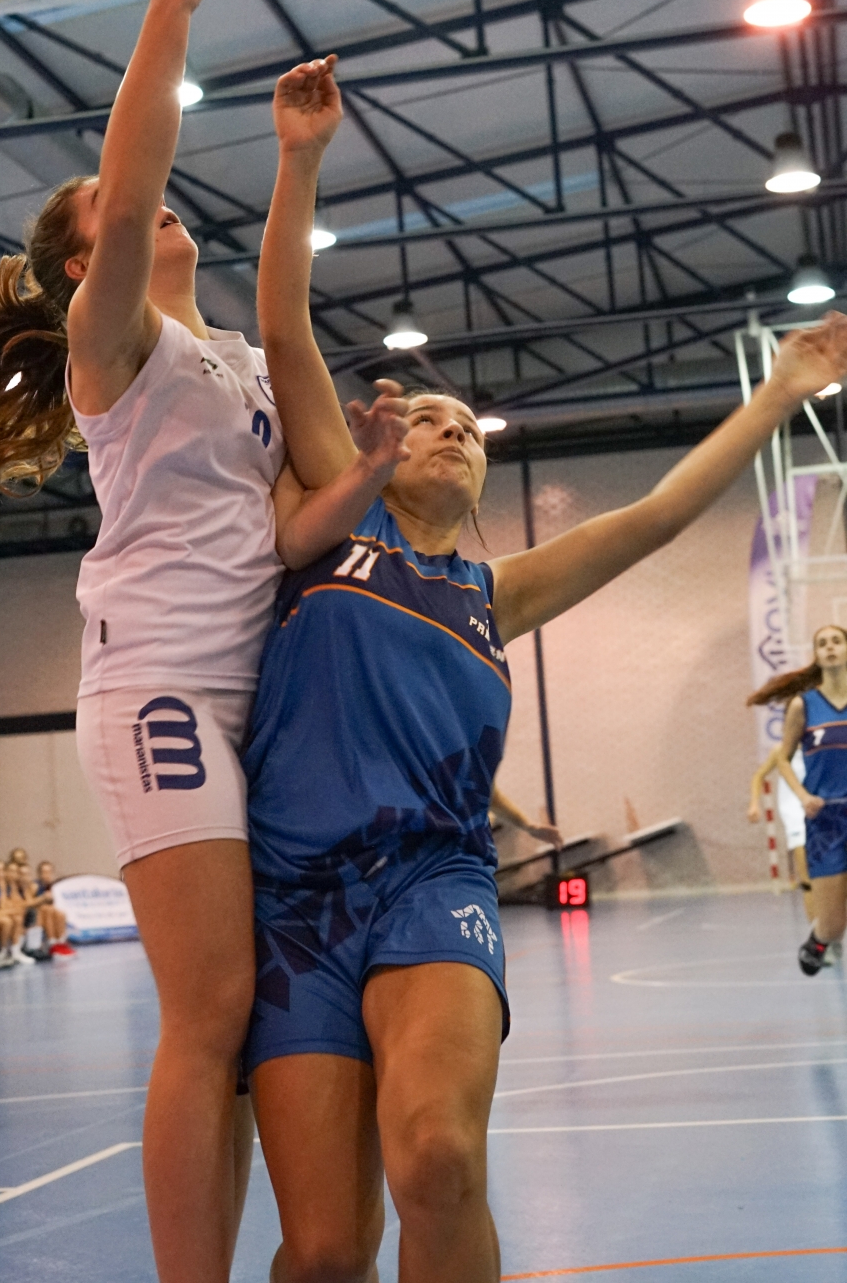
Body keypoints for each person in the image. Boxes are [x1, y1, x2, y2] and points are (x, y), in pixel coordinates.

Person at [242, 89, 847, 1282]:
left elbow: (658, 514)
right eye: (427, 418)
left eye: (469, 428)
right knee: (321, 1251)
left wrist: (776, 395)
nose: (452, 431)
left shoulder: (494, 592)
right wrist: (298, 159)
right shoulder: (330, 527)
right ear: (375, 449)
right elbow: (281, 328)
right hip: (293, 896)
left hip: (432, 882)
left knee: (436, 1161)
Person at [0, 0, 348, 1283]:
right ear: (83, 267)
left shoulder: (231, 361)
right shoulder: (114, 347)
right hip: (163, 691)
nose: (146, 206)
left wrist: (299, 160)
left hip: (255, 703)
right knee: (209, 1010)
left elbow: (286, 511)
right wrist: (170, 10)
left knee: (243, 1016)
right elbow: (130, 199)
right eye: (107, 212)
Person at [749, 624, 847, 975]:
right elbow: (783, 760)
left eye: (837, 641)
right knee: (833, 924)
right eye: (822, 643)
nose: (830, 647)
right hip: (826, 821)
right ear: (816, 655)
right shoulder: (803, 705)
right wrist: (803, 795)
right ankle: (818, 941)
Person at [747, 746, 813, 919]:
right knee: (807, 879)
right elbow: (759, 775)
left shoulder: (819, 744)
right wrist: (754, 804)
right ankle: (817, 928)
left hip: (818, 809)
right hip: (795, 814)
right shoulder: (781, 750)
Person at [28, 859, 73, 954]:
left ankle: (61, 941)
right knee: (47, 910)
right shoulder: (35, 885)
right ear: (39, 873)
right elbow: (29, 903)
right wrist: (42, 898)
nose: (47, 875)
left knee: (60, 914)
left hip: (49, 912)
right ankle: (52, 942)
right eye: (44, 872)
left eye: (49, 872)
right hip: (35, 913)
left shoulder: (52, 886)